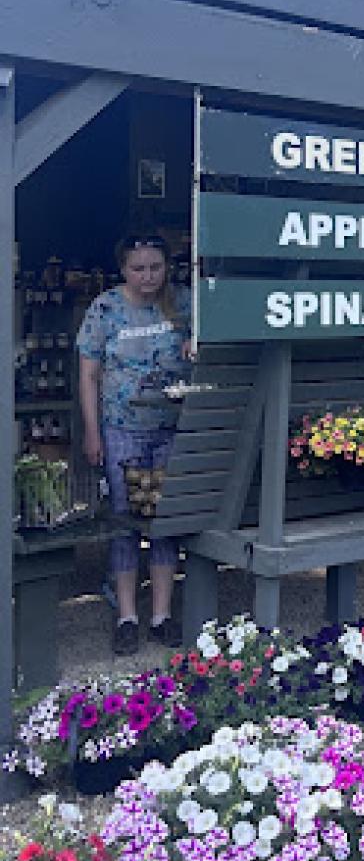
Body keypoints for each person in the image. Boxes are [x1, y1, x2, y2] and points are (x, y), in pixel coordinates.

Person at [77, 234, 192, 654]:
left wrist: (198, 342)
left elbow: (218, 340)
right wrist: (93, 431)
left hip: (172, 426)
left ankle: (161, 615)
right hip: (122, 429)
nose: (148, 277)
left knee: (166, 521)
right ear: (123, 269)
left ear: (167, 267)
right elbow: (88, 374)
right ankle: (127, 615)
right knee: (124, 522)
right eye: (138, 268)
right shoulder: (105, 308)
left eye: (155, 267)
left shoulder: (184, 302)